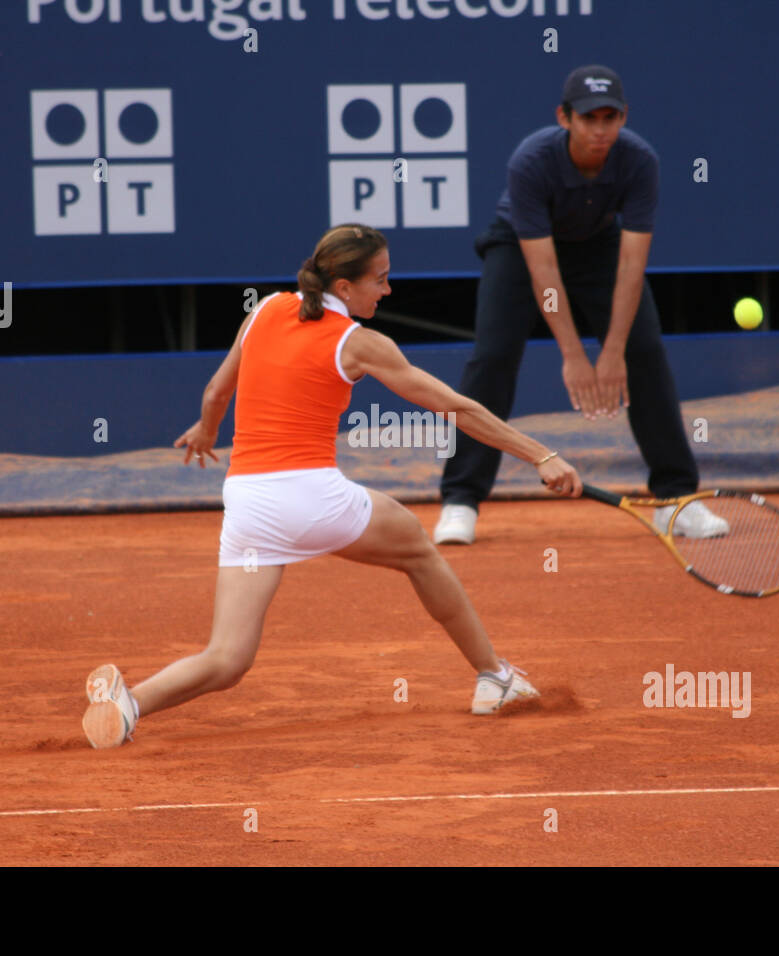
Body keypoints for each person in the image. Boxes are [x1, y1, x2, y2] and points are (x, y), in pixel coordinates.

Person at [81, 224, 583, 749]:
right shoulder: (360, 342)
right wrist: (540, 456)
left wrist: (207, 432)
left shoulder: (266, 310)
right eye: (380, 280)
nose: (387, 291)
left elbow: (214, 391)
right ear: (344, 287)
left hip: (247, 502)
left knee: (228, 659)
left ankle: (129, 702)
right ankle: (495, 679)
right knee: (419, 551)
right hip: (311, 498)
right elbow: (454, 407)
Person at [433, 64, 728, 545]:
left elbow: (632, 264)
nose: (600, 129)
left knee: (645, 353)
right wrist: (573, 355)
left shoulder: (639, 161)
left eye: (611, 118)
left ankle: (674, 500)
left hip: (598, 246)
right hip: (521, 247)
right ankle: (460, 499)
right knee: (494, 357)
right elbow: (544, 270)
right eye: (590, 118)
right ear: (564, 117)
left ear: (624, 118)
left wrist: (612, 351)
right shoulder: (531, 161)